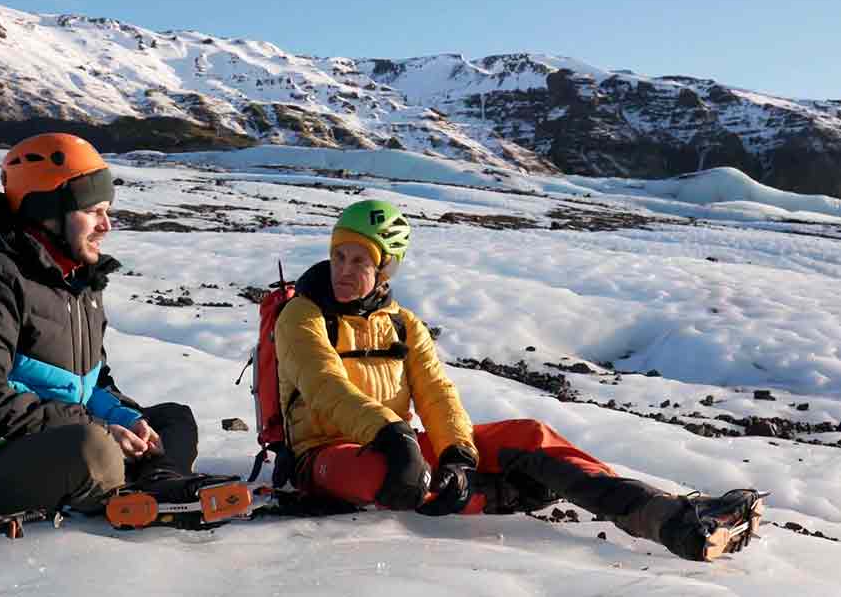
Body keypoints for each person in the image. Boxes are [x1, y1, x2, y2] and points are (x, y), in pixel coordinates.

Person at [274, 199, 765, 562]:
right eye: (339, 256)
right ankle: (510, 491)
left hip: (395, 444)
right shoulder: (301, 315)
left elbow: (436, 393)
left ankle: (666, 517)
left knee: (530, 437)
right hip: (324, 455)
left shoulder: (404, 324)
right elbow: (323, 384)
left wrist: (456, 454)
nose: (344, 269)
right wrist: (395, 436)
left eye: (360, 260)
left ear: (385, 268)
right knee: (383, 477)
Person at [0, 133, 233, 524]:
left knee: (172, 419)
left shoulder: (78, 285)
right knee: (94, 449)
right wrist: (100, 429)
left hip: (40, 442)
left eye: (107, 211)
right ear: (48, 211)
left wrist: (125, 420)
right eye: (93, 211)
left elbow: (90, 385)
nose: (106, 225)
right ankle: (135, 488)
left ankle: (157, 483)